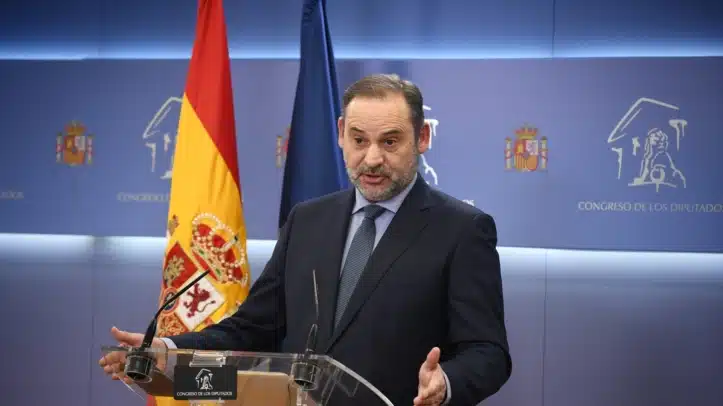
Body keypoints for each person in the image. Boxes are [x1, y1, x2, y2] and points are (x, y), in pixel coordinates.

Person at [100, 74, 512, 406]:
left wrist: (446, 383)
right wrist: (168, 350)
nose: (372, 159)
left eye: (390, 141)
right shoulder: (308, 220)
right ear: (341, 133)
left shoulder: (462, 230)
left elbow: (488, 352)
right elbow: (254, 327)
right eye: (359, 140)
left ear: (422, 138)